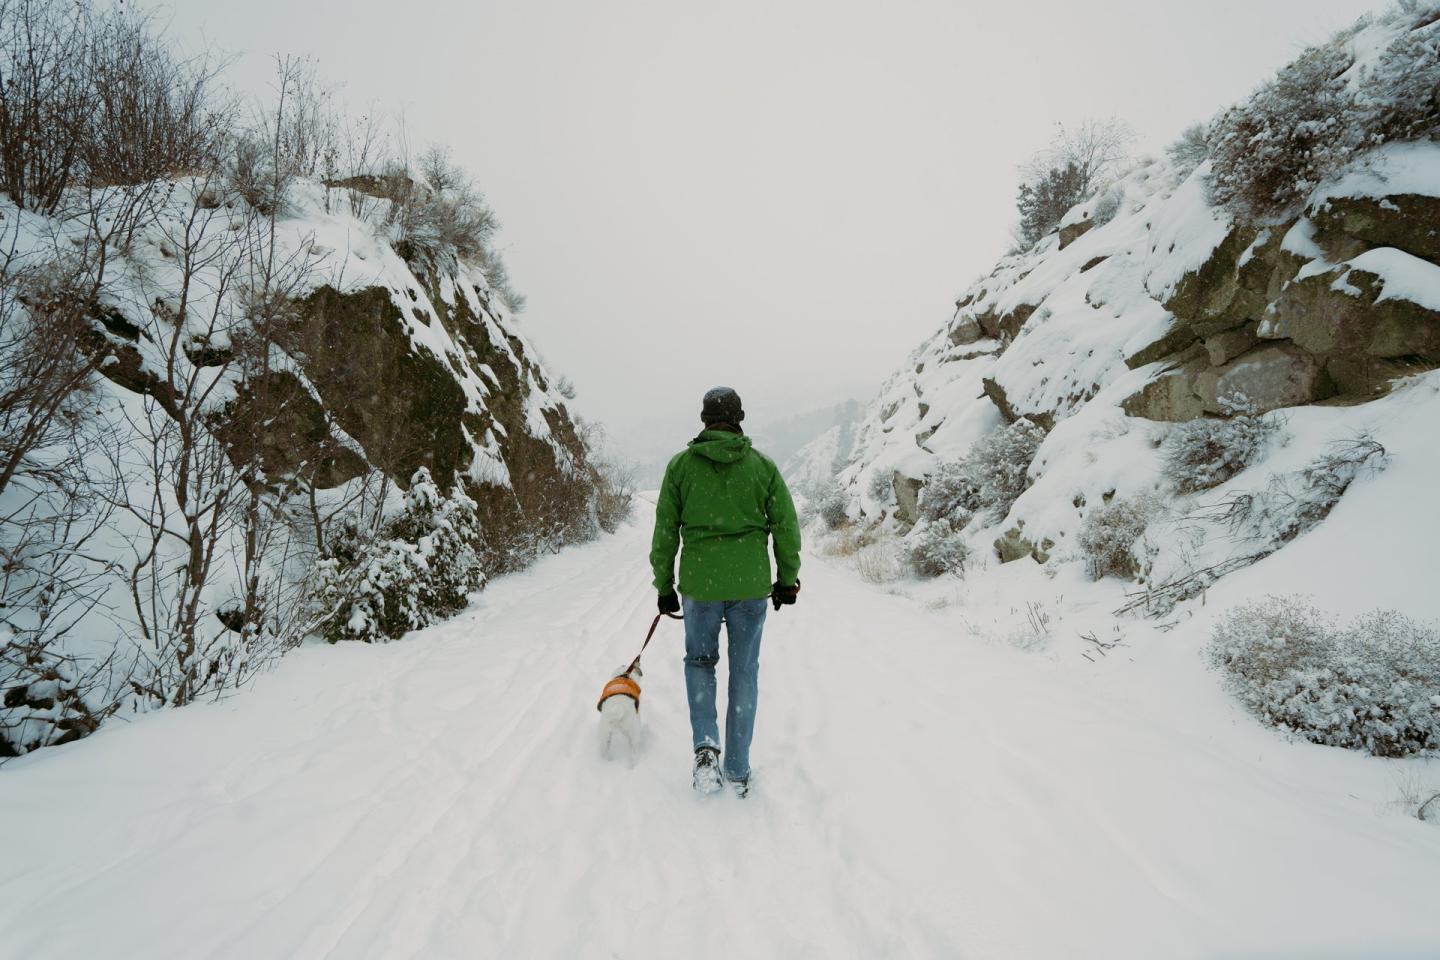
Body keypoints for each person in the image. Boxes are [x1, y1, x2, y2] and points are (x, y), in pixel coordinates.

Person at [650, 386, 802, 797]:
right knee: (745, 671)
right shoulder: (762, 467)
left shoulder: (681, 467)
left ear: (704, 420)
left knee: (700, 662)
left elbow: (665, 533)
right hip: (750, 587)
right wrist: (787, 580)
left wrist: (664, 587)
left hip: (700, 585)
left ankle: (705, 748)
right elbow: (786, 527)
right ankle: (737, 767)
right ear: (740, 418)